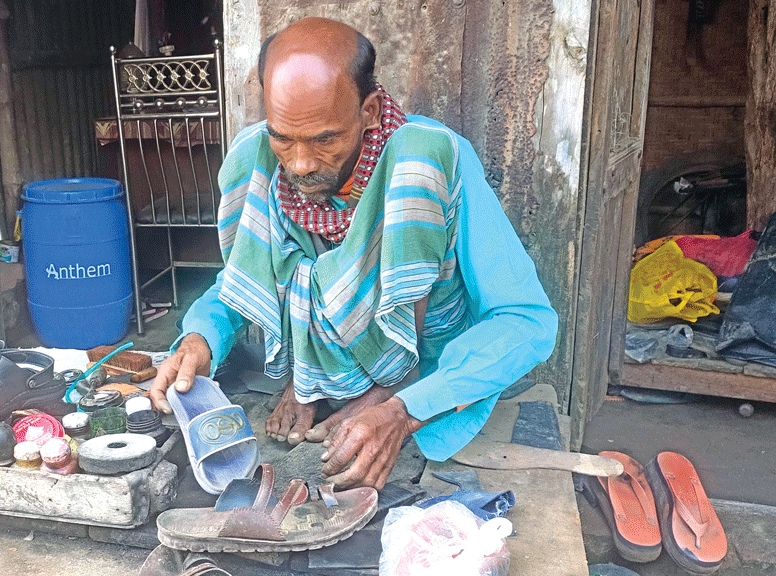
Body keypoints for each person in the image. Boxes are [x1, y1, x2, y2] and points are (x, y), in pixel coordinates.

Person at [150, 17, 558, 490]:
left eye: (325, 139)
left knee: (416, 163)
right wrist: (201, 338)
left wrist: (407, 410)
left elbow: (527, 322)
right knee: (249, 154)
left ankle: (396, 381)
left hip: (424, 373)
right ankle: (314, 376)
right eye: (284, 136)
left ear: (367, 111)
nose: (301, 163)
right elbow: (246, 277)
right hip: (310, 374)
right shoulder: (263, 161)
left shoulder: (432, 161)